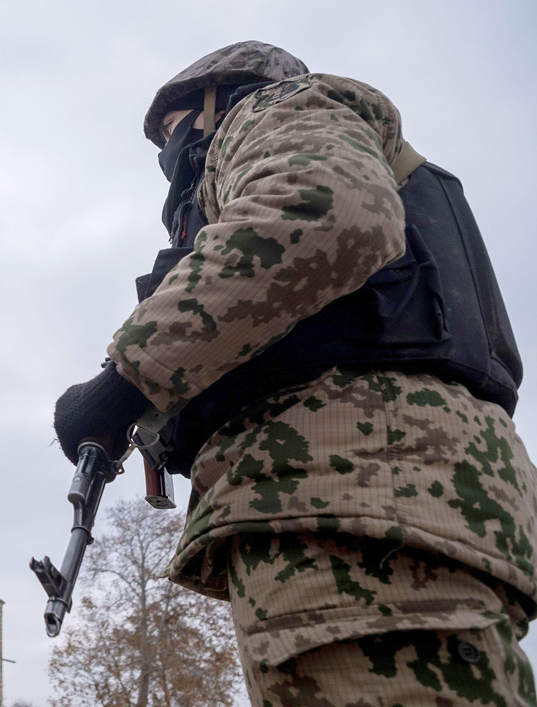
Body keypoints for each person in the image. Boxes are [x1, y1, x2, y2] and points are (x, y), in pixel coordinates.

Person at [53, 40, 537, 704]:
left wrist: (122, 384)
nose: (172, 151)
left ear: (222, 98)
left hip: (353, 492)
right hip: (393, 492)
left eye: (176, 128)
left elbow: (326, 209)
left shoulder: (277, 106)